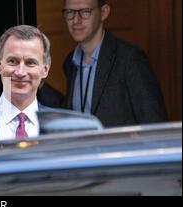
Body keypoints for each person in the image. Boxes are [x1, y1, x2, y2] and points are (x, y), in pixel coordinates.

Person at [38, 0, 167, 127]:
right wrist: (39, 82)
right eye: (70, 12)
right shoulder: (70, 61)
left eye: (85, 11)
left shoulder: (130, 59)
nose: (76, 20)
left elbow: (154, 123)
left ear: (104, 12)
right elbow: (74, 113)